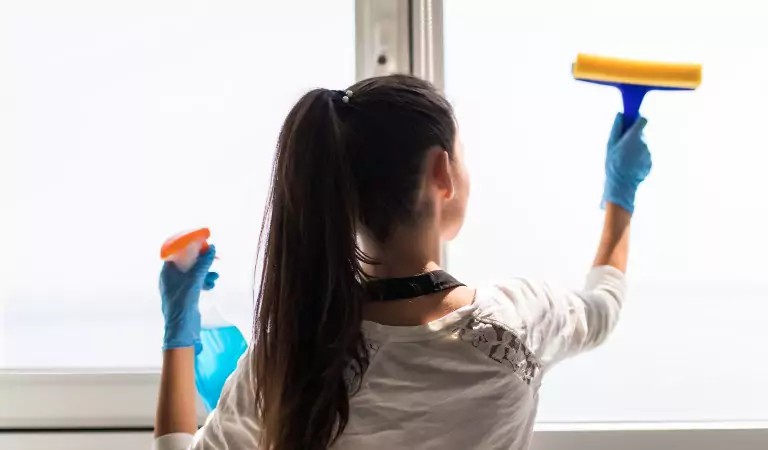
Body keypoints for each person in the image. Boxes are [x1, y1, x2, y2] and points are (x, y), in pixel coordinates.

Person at [153, 74, 651, 450]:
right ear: (442, 171)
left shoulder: (290, 359)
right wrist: (620, 193)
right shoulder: (518, 324)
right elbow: (601, 306)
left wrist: (180, 334)